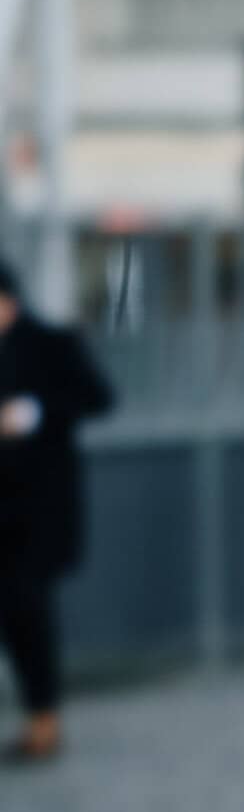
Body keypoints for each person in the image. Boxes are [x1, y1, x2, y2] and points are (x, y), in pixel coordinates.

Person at [0, 256, 113, 765]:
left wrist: (37, 411)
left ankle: (43, 715)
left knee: (27, 609)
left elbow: (99, 398)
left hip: (36, 508)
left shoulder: (52, 342)